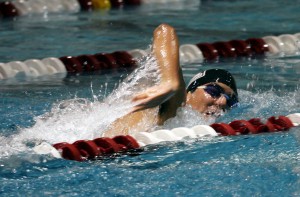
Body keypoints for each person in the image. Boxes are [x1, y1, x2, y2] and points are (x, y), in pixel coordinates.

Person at [103, 23, 239, 137]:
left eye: (230, 99)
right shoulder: (176, 106)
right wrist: (170, 82)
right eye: (214, 90)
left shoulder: (187, 124)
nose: (223, 101)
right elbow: (164, 30)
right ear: (189, 92)